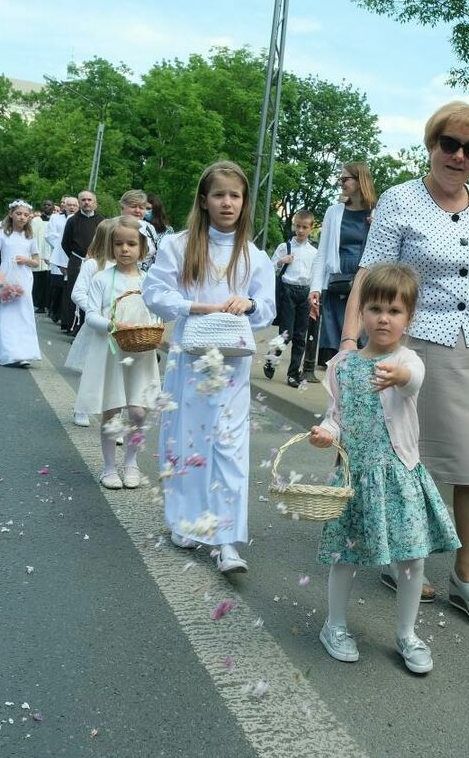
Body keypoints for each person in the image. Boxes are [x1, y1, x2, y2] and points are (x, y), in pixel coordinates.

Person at [340, 102, 469, 625]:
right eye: (449, 143)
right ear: (431, 144)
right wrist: (347, 344)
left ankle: (466, 572)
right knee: (409, 458)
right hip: (411, 344)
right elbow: (369, 273)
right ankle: (404, 560)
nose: (458, 155)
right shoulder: (401, 201)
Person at [309, 263, 460, 675]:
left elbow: (413, 382)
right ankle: (335, 624)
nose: (383, 318)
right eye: (375, 309)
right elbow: (336, 415)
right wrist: (325, 433)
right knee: (345, 555)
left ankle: (406, 633)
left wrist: (399, 375)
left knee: (411, 559)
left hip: (398, 475)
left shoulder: (407, 359)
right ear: (362, 315)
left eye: (394, 311)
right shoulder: (343, 365)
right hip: (354, 478)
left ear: (408, 317)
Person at [143, 160, 276, 576]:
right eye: (219, 194)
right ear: (204, 199)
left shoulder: (255, 255)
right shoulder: (178, 246)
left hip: (233, 364)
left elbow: (266, 308)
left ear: (244, 201)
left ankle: (227, 540)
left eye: (235, 195)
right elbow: (155, 292)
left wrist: (249, 303)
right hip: (190, 360)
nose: (227, 203)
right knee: (188, 442)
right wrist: (193, 306)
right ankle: (187, 522)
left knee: (229, 446)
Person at [74, 216, 161, 489]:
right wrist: (112, 324)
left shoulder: (150, 281)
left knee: (137, 412)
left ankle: (131, 461)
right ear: (111, 247)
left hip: (140, 353)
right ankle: (109, 467)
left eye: (131, 244)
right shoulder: (101, 279)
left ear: (143, 249)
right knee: (111, 411)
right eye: (119, 243)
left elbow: (157, 313)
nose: (125, 249)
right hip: (110, 351)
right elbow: (91, 316)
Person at [310, 162, 376, 369]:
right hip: (338, 283)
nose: (341, 183)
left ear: (360, 180)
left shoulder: (378, 211)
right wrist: (315, 288)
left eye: (345, 179)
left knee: (365, 347)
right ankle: (336, 397)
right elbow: (322, 252)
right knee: (337, 352)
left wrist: (377, 228)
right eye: (341, 178)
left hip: (367, 284)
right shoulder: (334, 212)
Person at [64, 217, 118, 427]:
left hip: (119, 327)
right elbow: (78, 293)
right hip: (97, 326)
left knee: (115, 373)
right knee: (90, 368)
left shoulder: (126, 266)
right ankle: (82, 407)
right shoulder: (92, 265)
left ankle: (113, 417)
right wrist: (96, 311)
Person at [0, 200, 42, 368]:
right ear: (11, 214)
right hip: (6, 275)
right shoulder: (2, 233)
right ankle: (7, 352)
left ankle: (23, 352)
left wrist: (26, 260)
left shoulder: (30, 237)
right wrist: (0, 275)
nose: (22, 217)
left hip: (24, 277)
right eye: (19, 214)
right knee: (6, 312)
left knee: (23, 313)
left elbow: (37, 262)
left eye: (25, 215)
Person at [265, 209, 317, 386]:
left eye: (304, 227)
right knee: (285, 334)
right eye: (298, 226)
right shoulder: (284, 247)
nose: (300, 230)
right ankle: (271, 360)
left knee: (300, 337)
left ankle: (293, 373)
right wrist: (281, 261)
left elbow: (316, 275)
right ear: (294, 225)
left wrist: (314, 294)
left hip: (305, 293)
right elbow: (269, 267)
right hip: (288, 291)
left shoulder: (314, 252)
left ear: (311, 228)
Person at [60, 190, 104, 335]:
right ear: (79, 203)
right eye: (83, 200)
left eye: (89, 200)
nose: (86, 202)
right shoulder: (72, 220)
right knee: (75, 291)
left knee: (92, 293)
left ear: (95, 203)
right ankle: (72, 325)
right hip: (77, 260)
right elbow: (65, 243)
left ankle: (87, 326)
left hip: (96, 262)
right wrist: (76, 257)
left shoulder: (102, 221)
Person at [47, 196, 76, 324]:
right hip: (59, 253)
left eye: (74, 205)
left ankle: (63, 315)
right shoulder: (55, 218)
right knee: (57, 287)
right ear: (64, 206)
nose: (72, 207)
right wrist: (60, 241)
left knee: (68, 288)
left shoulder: (78, 220)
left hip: (72, 255)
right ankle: (54, 309)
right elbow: (49, 235)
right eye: (69, 205)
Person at [30, 202, 54, 310]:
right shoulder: (35, 221)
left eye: (49, 205)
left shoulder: (55, 220)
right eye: (45, 205)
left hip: (51, 253)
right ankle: (38, 304)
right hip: (38, 252)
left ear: (53, 207)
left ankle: (47, 304)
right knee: (38, 281)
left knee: (48, 282)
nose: (47, 207)